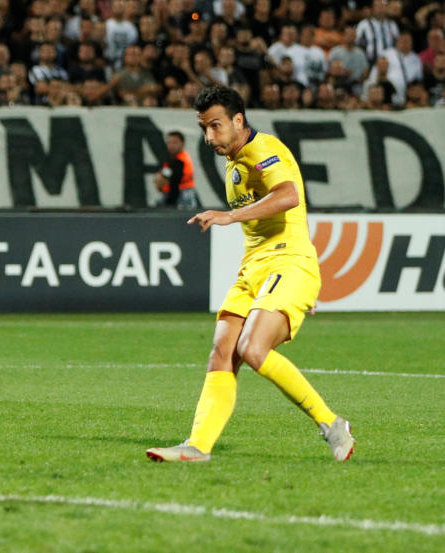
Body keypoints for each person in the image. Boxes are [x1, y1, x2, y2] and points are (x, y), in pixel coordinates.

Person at [146, 86, 354, 463]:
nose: (209, 137)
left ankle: (332, 424)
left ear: (238, 121)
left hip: (287, 261)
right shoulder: (234, 160)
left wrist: (230, 216)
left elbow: (289, 195)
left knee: (253, 349)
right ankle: (197, 447)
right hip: (255, 268)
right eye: (204, 128)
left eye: (216, 126)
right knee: (222, 352)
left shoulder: (263, 150)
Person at [154, 131, 199, 209]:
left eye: (175, 142)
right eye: (169, 142)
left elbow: (174, 183)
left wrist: (169, 204)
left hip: (181, 198)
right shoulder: (173, 158)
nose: (171, 145)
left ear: (182, 144)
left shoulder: (180, 161)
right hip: (176, 196)